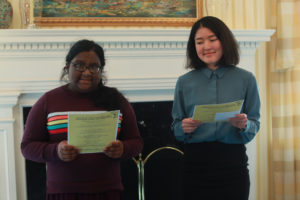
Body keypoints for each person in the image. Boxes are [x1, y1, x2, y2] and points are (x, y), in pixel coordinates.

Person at [21, 39, 143, 200]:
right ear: (67, 67)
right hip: (63, 192)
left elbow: (136, 142)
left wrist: (123, 148)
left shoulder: (117, 100)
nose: (87, 72)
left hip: (107, 191)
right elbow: (27, 147)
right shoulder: (48, 101)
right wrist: (55, 151)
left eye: (94, 66)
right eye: (79, 65)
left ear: (101, 70)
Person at [171, 16, 260, 200]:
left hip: (233, 166)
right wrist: (183, 127)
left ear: (224, 41)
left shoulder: (246, 79)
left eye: (212, 39)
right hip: (195, 166)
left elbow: (254, 123)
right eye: (199, 42)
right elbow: (176, 127)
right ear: (193, 46)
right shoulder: (184, 82)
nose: (206, 46)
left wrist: (244, 125)